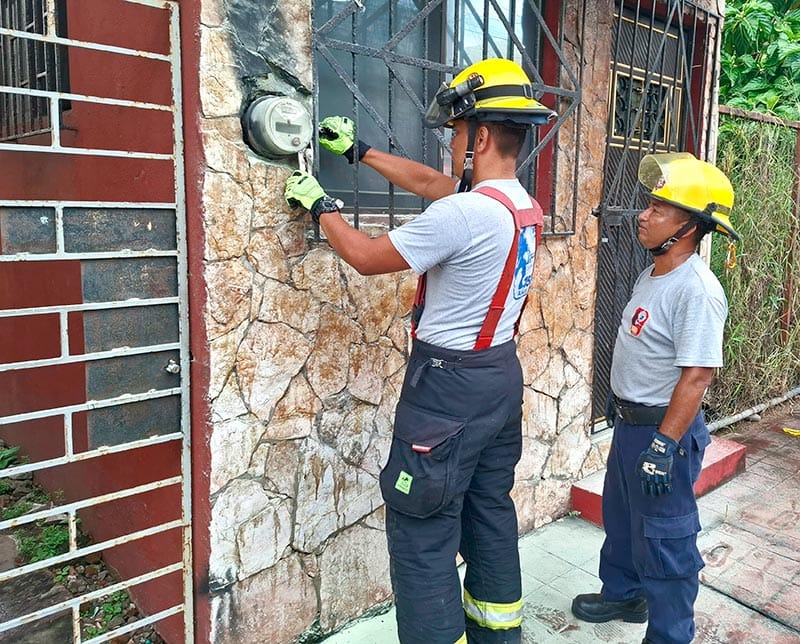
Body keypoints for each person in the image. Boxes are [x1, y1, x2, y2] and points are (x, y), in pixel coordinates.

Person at [284, 58, 555, 644]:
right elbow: (436, 186)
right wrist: (362, 154)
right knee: (488, 512)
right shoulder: (517, 205)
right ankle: (497, 633)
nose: (449, 145)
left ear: (479, 135)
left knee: (421, 530)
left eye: (455, 133)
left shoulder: (466, 215)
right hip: (498, 379)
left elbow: (365, 256)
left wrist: (321, 207)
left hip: (447, 390)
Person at [571, 152, 740, 644]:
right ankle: (625, 593)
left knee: (667, 537)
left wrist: (664, 445)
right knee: (623, 522)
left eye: (658, 208)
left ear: (688, 226)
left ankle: (669, 634)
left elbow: (697, 377)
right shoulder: (655, 274)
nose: (643, 215)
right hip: (632, 426)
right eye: (648, 204)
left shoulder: (698, 291)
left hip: (664, 433)